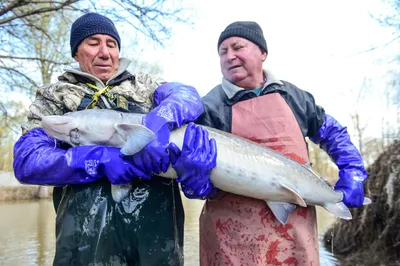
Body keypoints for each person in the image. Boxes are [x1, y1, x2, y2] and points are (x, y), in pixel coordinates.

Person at [12, 12, 206, 266]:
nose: (105, 52)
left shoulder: (145, 86)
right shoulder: (54, 97)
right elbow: (28, 160)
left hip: (157, 242)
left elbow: (188, 96)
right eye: (93, 43)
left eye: (111, 44)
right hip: (84, 243)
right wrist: (97, 160)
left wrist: (160, 119)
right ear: (75, 52)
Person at [168, 21, 369, 265]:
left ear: (262, 53)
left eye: (237, 47)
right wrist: (193, 180)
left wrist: (353, 170)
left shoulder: (295, 97)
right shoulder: (208, 107)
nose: (230, 56)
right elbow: (185, 162)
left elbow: (333, 134)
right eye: (223, 52)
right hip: (230, 238)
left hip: (295, 235)